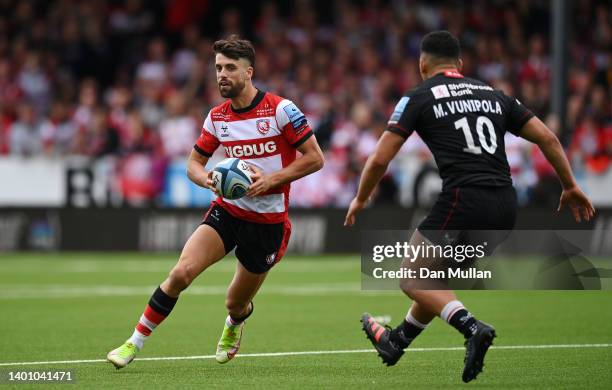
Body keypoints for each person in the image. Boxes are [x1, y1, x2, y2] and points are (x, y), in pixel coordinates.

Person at [344, 31, 595, 383]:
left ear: (422, 64)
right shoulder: (495, 94)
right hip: (505, 206)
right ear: (460, 65)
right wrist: (570, 185)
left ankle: (473, 328)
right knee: (436, 280)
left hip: (463, 198)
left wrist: (359, 198)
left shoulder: (418, 96)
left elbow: (378, 159)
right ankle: (396, 341)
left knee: (412, 276)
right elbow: (548, 138)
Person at [107, 35, 324, 368]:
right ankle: (133, 343)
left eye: (230, 68)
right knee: (181, 272)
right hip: (228, 212)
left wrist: (270, 180)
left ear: (249, 72)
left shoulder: (281, 110)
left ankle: (235, 323)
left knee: (234, 302)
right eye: (218, 68)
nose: (222, 74)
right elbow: (193, 163)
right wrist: (209, 179)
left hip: (267, 225)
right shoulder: (217, 118)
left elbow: (314, 158)